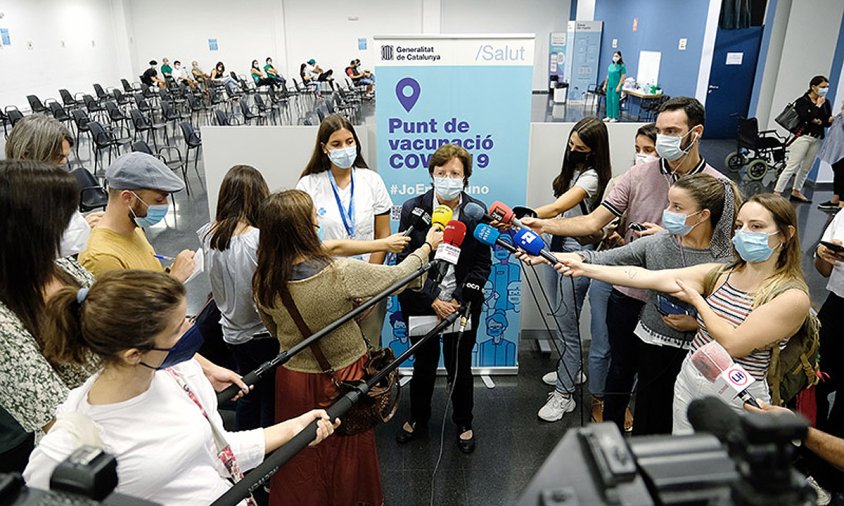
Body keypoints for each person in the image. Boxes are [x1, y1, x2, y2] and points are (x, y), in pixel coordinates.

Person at [23, 270, 338, 504]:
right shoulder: (72, 443)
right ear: (134, 354)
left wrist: (292, 429)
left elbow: (217, 452)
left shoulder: (180, 374)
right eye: (178, 329)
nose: (192, 328)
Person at [521, 97, 726, 431]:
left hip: (680, 306)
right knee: (619, 370)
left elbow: (727, 258)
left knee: (662, 388)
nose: (663, 139)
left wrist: (676, 243)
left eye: (672, 131)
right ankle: (611, 438)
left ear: (696, 133)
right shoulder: (637, 175)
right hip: (628, 294)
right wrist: (540, 225)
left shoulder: (720, 189)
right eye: (659, 131)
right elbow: (592, 226)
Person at [552, 193, 811, 434]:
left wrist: (698, 302)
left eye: (756, 227)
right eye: (740, 226)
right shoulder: (723, 273)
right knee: (685, 455)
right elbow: (646, 277)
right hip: (694, 374)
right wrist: (583, 267)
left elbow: (735, 343)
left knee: (721, 468)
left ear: (786, 234)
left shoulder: (790, 296)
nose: (744, 233)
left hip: (737, 393)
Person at [252, 189, 442, 506]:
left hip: (293, 380)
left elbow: (274, 329)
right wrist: (427, 247)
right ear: (302, 226)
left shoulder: (263, 278)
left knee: (300, 453)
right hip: (344, 375)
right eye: (314, 215)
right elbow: (399, 276)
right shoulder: (339, 273)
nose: (318, 220)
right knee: (347, 450)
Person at [540, 174, 740, 435]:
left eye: (677, 208)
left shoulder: (729, 259)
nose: (667, 213)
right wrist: (550, 257)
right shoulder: (657, 244)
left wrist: (697, 322)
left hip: (700, 358)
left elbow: (736, 315)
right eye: (668, 205)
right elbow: (601, 259)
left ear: (703, 215)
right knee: (648, 413)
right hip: (654, 348)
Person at [0, 160, 99, 474]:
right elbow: (57, 418)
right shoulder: (4, 320)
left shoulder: (61, 268)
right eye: (64, 216)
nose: (75, 223)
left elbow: (123, 319)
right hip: (99, 437)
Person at [394, 143, 493, 453]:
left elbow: (482, 264)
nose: (448, 178)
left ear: (465, 178)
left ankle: (464, 421)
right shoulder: (414, 209)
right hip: (422, 302)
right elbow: (406, 262)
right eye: (442, 172)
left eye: (455, 173)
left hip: (461, 306)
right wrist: (433, 297)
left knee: (459, 365)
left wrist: (459, 300)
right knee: (423, 364)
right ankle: (418, 418)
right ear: (432, 175)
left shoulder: (477, 212)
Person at [529, 117, 611, 422]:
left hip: (576, 255)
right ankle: (571, 370)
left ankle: (564, 395)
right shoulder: (574, 170)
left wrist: (524, 217)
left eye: (580, 146)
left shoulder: (591, 178)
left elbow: (553, 210)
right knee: (561, 317)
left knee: (567, 327)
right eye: (571, 143)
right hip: (554, 249)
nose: (572, 148)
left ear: (593, 150)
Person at [297, 114, 394, 342]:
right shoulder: (308, 185)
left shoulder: (372, 181)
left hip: (370, 279)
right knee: (335, 348)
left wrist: (369, 280)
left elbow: (383, 234)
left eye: (349, 142)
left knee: (370, 349)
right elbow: (306, 243)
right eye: (337, 144)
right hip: (326, 284)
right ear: (324, 148)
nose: (345, 149)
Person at [585, 122, 658, 425]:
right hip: (615, 273)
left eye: (649, 151)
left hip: (653, 283)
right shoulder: (624, 181)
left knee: (642, 353)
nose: (642, 156)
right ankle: (600, 399)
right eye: (638, 150)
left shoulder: (687, 189)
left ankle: (629, 401)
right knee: (605, 345)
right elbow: (596, 225)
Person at [78, 152, 195, 282]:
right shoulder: (101, 258)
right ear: (128, 197)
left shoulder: (135, 228)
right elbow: (133, 303)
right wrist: (174, 279)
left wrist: (169, 274)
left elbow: (145, 285)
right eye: (159, 200)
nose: (165, 205)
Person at [4, 114, 102, 253]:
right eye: (58, 157)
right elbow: (39, 250)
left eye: (65, 157)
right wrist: (82, 229)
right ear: (25, 155)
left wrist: (84, 222)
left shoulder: (47, 188)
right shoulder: (11, 201)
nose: (63, 163)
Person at [774, 75, 834, 203]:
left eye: (827, 87)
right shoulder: (803, 101)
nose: (825, 89)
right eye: (822, 87)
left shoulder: (826, 102)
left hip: (816, 138)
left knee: (806, 167)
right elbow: (805, 116)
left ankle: (796, 191)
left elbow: (827, 121)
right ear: (813, 87)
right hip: (802, 137)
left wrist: (820, 120)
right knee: (792, 166)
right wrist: (817, 108)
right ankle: (777, 192)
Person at [814, 209, 844, 437]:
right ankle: (815, 441)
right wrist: (822, 255)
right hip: (837, 306)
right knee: (816, 380)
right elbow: (823, 271)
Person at [817, 100, 844, 211]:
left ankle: (842, 204)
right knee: (838, 174)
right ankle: (835, 199)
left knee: (842, 176)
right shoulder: (840, 115)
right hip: (836, 151)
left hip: (842, 152)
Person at [603, 51, 626, 123]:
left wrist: (619, 86)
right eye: (614, 56)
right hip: (610, 85)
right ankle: (609, 116)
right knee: (608, 100)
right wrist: (605, 85)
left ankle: (614, 117)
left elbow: (623, 77)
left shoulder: (622, 67)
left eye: (617, 56)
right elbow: (608, 76)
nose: (615, 57)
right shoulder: (610, 66)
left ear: (620, 57)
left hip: (616, 86)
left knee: (614, 101)